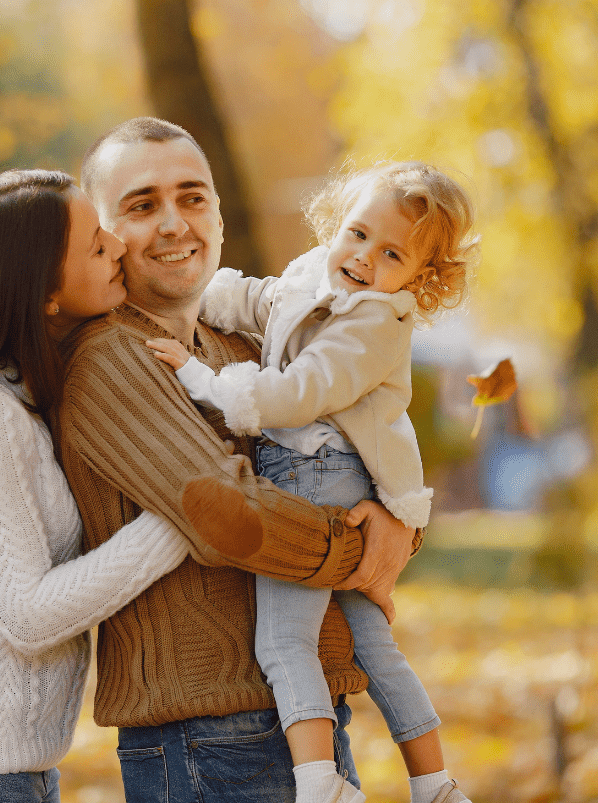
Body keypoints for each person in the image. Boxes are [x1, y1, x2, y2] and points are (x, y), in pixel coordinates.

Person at [55, 117, 421, 803]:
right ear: (103, 236)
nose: (174, 223)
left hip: (297, 720)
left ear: (218, 215)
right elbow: (233, 517)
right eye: (142, 205)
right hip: (205, 739)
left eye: (192, 198)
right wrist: (362, 549)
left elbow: (360, 447)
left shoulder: (243, 350)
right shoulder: (112, 359)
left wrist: (401, 526)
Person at [147, 161, 480, 803]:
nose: (363, 259)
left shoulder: (375, 324)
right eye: (356, 234)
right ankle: (436, 785)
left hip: (316, 470)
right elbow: (258, 299)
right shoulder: (314, 274)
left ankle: (319, 783)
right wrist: (191, 297)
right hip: (326, 469)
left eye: (391, 254)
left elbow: (304, 391)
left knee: (282, 640)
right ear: (337, 222)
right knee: (368, 640)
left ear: (420, 278)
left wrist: (204, 380)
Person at [0, 169, 204, 803]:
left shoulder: (9, 401)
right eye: (95, 244)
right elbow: (28, 613)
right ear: (41, 291)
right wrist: (183, 518)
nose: (118, 248)